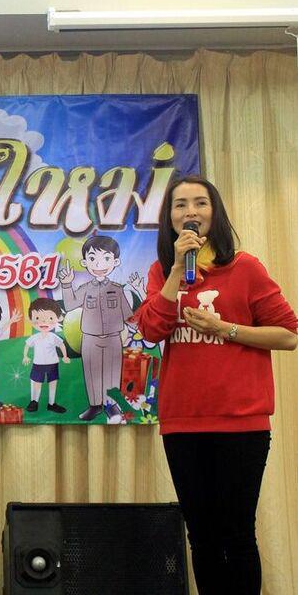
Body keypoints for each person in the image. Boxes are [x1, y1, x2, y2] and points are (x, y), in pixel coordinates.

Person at [135, 175, 298, 595]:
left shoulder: (245, 267)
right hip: (183, 423)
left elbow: (288, 335)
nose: (190, 212)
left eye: (200, 203)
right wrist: (176, 270)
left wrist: (224, 328)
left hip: (241, 424)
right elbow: (151, 330)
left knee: (237, 535)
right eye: (180, 205)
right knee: (202, 537)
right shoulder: (162, 271)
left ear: (215, 212)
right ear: (170, 218)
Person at [58, 234, 134, 421]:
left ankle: (111, 406)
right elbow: (70, 305)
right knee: (92, 373)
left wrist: (135, 331)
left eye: (106, 258)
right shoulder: (85, 289)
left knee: (112, 373)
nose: (99, 264)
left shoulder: (117, 289)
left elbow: (128, 315)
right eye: (93, 258)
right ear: (85, 262)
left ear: (115, 262)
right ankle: (94, 406)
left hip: (113, 338)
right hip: (90, 339)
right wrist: (66, 285)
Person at [21, 297, 70, 414]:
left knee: (53, 383)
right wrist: (25, 356)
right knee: (36, 383)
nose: (44, 322)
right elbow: (27, 345)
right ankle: (34, 402)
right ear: (31, 319)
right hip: (38, 364)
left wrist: (65, 356)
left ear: (57, 318)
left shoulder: (53, 337)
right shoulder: (35, 337)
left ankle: (51, 404)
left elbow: (61, 345)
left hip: (53, 364)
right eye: (38, 318)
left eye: (50, 318)